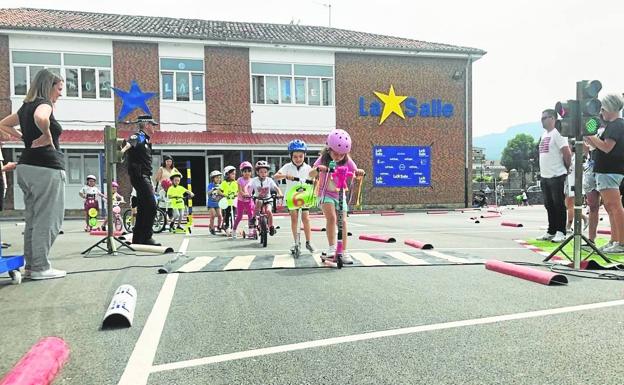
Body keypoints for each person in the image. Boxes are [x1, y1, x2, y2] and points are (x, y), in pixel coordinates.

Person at [0, 69, 66, 280]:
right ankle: (40, 267)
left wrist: (23, 139)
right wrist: (47, 135)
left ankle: (31, 266)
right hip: (46, 167)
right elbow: (41, 117)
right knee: (48, 219)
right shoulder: (43, 104)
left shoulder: (25, 106)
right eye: (59, 88)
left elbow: (2, 124)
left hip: (26, 167)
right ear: (49, 87)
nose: (60, 94)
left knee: (33, 219)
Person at [309, 129, 365, 264]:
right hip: (325, 193)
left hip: (340, 194)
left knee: (343, 221)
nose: (339, 157)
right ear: (329, 149)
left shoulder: (347, 160)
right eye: (336, 153)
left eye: (342, 155)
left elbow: (356, 171)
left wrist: (359, 172)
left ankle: (344, 251)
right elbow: (311, 174)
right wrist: (318, 169)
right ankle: (332, 247)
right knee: (332, 218)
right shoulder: (323, 159)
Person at [584, 94, 624, 253]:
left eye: (603, 109)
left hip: (610, 170)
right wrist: (590, 138)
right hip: (607, 170)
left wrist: (592, 136)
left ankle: (621, 242)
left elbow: (607, 147)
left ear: (610, 108)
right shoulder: (615, 125)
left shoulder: (615, 125)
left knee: (615, 207)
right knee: (610, 207)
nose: (601, 113)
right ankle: (615, 240)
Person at [120, 115, 160, 246]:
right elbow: (129, 144)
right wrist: (122, 151)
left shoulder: (146, 140)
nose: (154, 127)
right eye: (152, 125)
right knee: (152, 206)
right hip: (140, 176)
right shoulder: (139, 136)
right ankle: (147, 236)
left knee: (143, 207)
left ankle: (138, 238)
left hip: (144, 176)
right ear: (146, 125)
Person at [274, 139, 316, 253]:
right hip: (292, 196)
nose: (298, 159)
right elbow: (276, 176)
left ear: (305, 155)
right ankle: (296, 242)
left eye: (300, 156)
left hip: (304, 195)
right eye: (295, 157)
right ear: (291, 156)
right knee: (294, 219)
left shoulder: (308, 168)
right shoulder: (287, 167)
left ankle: (308, 242)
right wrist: (285, 176)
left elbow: (315, 178)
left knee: (306, 218)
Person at [537, 109, 571, 243]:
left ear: (553, 118)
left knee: (559, 204)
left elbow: (567, 153)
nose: (542, 120)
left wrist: (566, 168)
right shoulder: (544, 134)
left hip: (557, 175)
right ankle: (551, 230)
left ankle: (561, 231)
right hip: (545, 176)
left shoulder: (558, 134)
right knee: (549, 205)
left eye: (545, 118)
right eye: (541, 118)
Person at [249, 160, 282, 235]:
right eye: (261, 172)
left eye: (265, 172)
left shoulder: (269, 180)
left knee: (269, 211)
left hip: (268, 199)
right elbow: (248, 188)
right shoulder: (254, 180)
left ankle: (271, 227)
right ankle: (254, 218)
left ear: (267, 172)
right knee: (259, 202)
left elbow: (276, 188)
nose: (263, 174)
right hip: (258, 199)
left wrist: (279, 193)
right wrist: (247, 194)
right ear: (257, 172)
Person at [563, 145, 588, 232]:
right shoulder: (570, 157)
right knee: (568, 205)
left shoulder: (576, 158)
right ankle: (584, 218)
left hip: (573, 184)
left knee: (570, 205)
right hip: (567, 183)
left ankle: (568, 226)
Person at [232, 161, 255, 239]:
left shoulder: (253, 180)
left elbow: (256, 190)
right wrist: (244, 194)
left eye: (249, 171)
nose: (247, 173)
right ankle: (234, 230)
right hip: (241, 201)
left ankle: (251, 231)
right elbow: (240, 190)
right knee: (239, 216)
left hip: (249, 201)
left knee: (251, 216)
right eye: (245, 171)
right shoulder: (239, 180)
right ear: (242, 172)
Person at [219, 165, 238, 237]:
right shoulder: (224, 183)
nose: (234, 175)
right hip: (226, 202)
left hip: (233, 202)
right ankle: (226, 227)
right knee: (227, 215)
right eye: (232, 174)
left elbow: (239, 191)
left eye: (234, 174)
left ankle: (234, 228)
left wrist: (236, 194)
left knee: (233, 215)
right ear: (227, 174)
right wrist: (224, 195)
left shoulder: (236, 183)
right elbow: (219, 191)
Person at [206, 170, 223, 235]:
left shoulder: (221, 185)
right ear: (213, 178)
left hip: (218, 203)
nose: (218, 179)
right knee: (213, 215)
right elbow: (208, 193)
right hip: (211, 204)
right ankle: (212, 228)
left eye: (219, 177)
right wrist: (213, 189)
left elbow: (222, 193)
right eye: (217, 177)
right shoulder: (210, 185)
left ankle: (219, 226)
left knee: (220, 215)